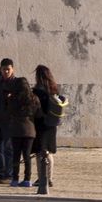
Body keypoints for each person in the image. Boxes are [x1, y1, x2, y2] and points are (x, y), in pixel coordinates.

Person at [0, 63, 36, 187]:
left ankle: (15, 179)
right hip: (29, 130)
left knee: (16, 156)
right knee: (27, 156)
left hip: (16, 130)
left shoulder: (13, 99)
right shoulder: (34, 98)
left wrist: (8, 99)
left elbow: (9, 112)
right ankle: (28, 179)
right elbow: (38, 113)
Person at [29, 65, 67, 195]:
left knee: (40, 152)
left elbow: (36, 108)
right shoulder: (54, 89)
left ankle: (43, 178)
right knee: (48, 152)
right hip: (51, 124)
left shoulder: (37, 91)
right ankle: (49, 177)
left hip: (40, 124)